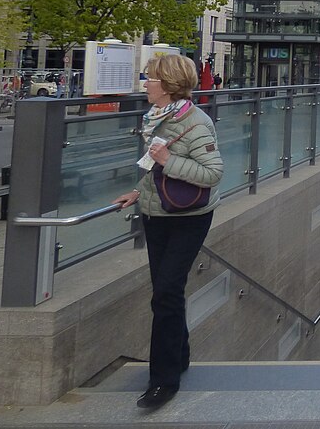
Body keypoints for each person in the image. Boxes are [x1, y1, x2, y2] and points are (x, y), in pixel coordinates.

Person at [113, 54, 224, 410]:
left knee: (165, 293)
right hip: (156, 211)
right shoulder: (156, 118)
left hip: (189, 217)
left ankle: (163, 381)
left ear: (169, 84)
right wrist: (138, 190)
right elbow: (153, 164)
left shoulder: (196, 122)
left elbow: (212, 174)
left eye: (150, 78)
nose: (145, 83)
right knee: (166, 291)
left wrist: (167, 162)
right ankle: (180, 354)